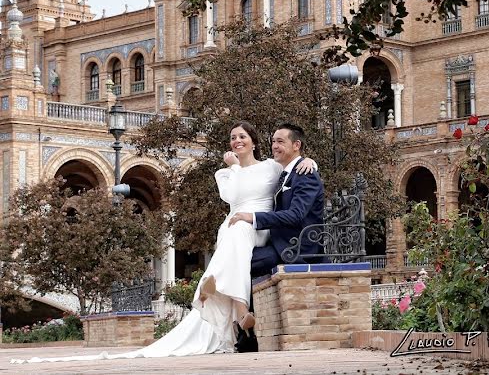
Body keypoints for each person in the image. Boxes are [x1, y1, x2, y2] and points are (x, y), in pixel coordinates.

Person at [10, 121, 317, 363]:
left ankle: (227, 300)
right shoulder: (225, 172)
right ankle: (238, 310)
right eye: (233, 137)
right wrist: (233, 167)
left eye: (243, 136)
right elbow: (232, 198)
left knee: (233, 246)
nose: (237, 141)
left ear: (254, 141)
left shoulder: (273, 167)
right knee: (233, 235)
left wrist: (310, 160)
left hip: (257, 226)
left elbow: (294, 167)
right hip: (238, 223)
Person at [228, 122, 325, 353]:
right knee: (237, 260)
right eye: (273, 141)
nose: (274, 146)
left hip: (298, 247)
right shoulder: (287, 171)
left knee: (242, 265)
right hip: (281, 243)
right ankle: (245, 328)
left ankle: (246, 332)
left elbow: (296, 215)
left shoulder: (306, 173)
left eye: (280, 141)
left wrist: (253, 217)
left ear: (296, 145)